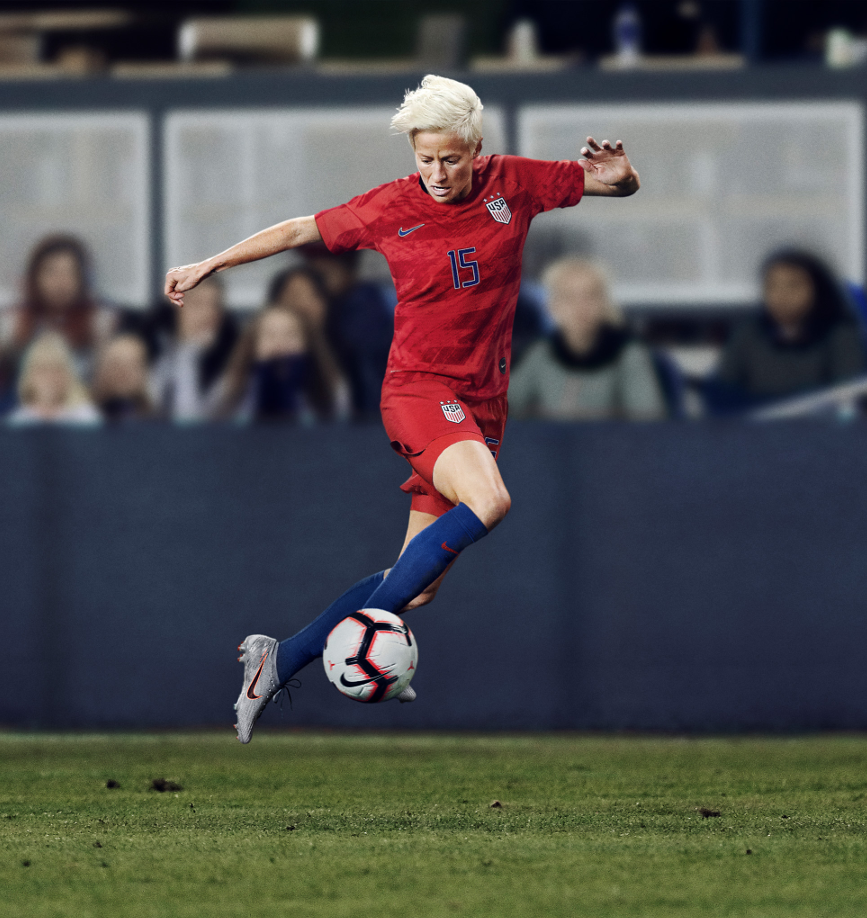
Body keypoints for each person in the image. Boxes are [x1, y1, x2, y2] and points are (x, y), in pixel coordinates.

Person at [164, 73, 640, 741]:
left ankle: (280, 659)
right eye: (424, 159)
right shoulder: (389, 207)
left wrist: (622, 177)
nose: (438, 173)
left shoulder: (517, 184)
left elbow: (612, 185)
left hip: (481, 405)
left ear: (476, 149)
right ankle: (348, 641)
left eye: (450, 158)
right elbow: (301, 228)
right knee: (491, 502)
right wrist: (209, 264)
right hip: (419, 391)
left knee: (416, 592)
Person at [0, 235, 119, 418]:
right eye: (51, 272)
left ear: (83, 279)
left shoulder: (99, 322)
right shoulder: (12, 322)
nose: (61, 282)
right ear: (35, 277)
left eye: (70, 273)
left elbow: (106, 384)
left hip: (81, 411)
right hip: (23, 411)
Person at [508, 257, 664, 420]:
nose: (580, 306)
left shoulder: (629, 355)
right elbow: (504, 408)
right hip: (550, 444)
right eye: (569, 297)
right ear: (553, 306)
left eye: (590, 296)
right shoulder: (540, 352)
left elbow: (647, 424)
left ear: (603, 303)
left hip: (613, 444)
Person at [709, 248, 865, 411]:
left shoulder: (840, 335)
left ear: (818, 290)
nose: (781, 295)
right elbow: (722, 392)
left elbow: (845, 398)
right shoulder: (748, 333)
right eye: (772, 286)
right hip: (754, 430)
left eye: (793, 286)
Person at [301, 244, 397, 417]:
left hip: (368, 416)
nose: (316, 284)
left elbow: (365, 367)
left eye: (320, 276)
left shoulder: (363, 305)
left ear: (346, 270)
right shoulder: (339, 304)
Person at [217, 304, 336, 424]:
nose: (280, 344)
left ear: (307, 343)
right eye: (270, 335)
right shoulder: (231, 386)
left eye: (290, 335)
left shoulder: (330, 388)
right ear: (252, 346)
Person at [146, 275, 239, 422]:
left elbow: (190, 424)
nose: (208, 314)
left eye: (215, 305)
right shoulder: (151, 350)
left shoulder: (231, 361)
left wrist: (190, 353)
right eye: (198, 304)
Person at [266, 266, 352, 420]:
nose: (305, 306)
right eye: (295, 296)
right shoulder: (256, 356)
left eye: (314, 295)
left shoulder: (344, 360)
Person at [8, 331, 101, 426]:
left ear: (68, 375)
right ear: (29, 377)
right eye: (42, 370)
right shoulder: (19, 420)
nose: (49, 377)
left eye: (56, 370)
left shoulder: (85, 417)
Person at [91, 333, 156, 424]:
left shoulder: (159, 422)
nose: (124, 372)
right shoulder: (87, 418)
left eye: (131, 365)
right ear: (102, 370)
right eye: (116, 365)